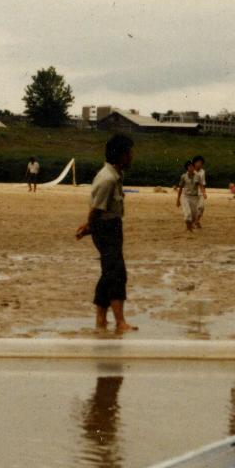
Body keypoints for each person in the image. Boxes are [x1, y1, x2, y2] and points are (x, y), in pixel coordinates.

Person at [75, 134, 138, 332]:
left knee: (108, 273)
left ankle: (101, 319)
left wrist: (88, 228)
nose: (131, 157)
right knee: (117, 273)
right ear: (120, 155)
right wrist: (88, 228)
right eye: (129, 153)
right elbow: (96, 210)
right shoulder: (108, 179)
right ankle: (120, 322)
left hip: (112, 226)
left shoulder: (116, 175)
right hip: (105, 229)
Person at [175, 159, 202, 232]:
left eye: (192, 167)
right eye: (189, 167)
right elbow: (180, 188)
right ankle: (189, 229)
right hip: (186, 197)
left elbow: (201, 185)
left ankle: (189, 227)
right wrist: (178, 199)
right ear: (187, 168)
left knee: (194, 215)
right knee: (188, 214)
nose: (191, 168)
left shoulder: (198, 176)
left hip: (194, 197)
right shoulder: (183, 176)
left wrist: (203, 193)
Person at [190, 154, 209, 228]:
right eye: (198, 162)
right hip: (192, 193)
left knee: (201, 207)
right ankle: (194, 222)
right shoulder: (190, 171)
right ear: (194, 163)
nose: (199, 164)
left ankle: (197, 221)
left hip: (200, 192)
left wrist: (204, 193)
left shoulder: (202, 172)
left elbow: (203, 183)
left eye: (201, 163)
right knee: (193, 209)